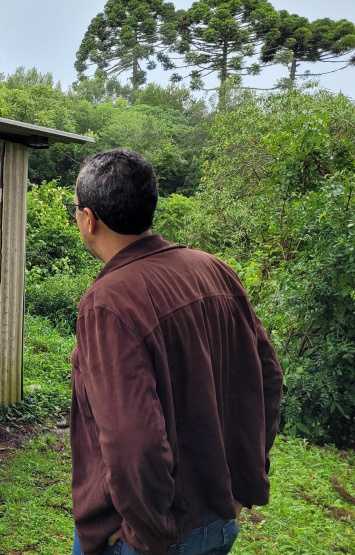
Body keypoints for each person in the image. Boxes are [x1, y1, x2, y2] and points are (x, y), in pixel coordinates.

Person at [68, 149, 283, 555]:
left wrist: (144, 533)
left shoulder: (108, 303)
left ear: (89, 218)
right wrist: (244, 478)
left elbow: (136, 441)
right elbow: (268, 379)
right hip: (218, 517)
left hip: (155, 539)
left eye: (75, 208)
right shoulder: (214, 268)